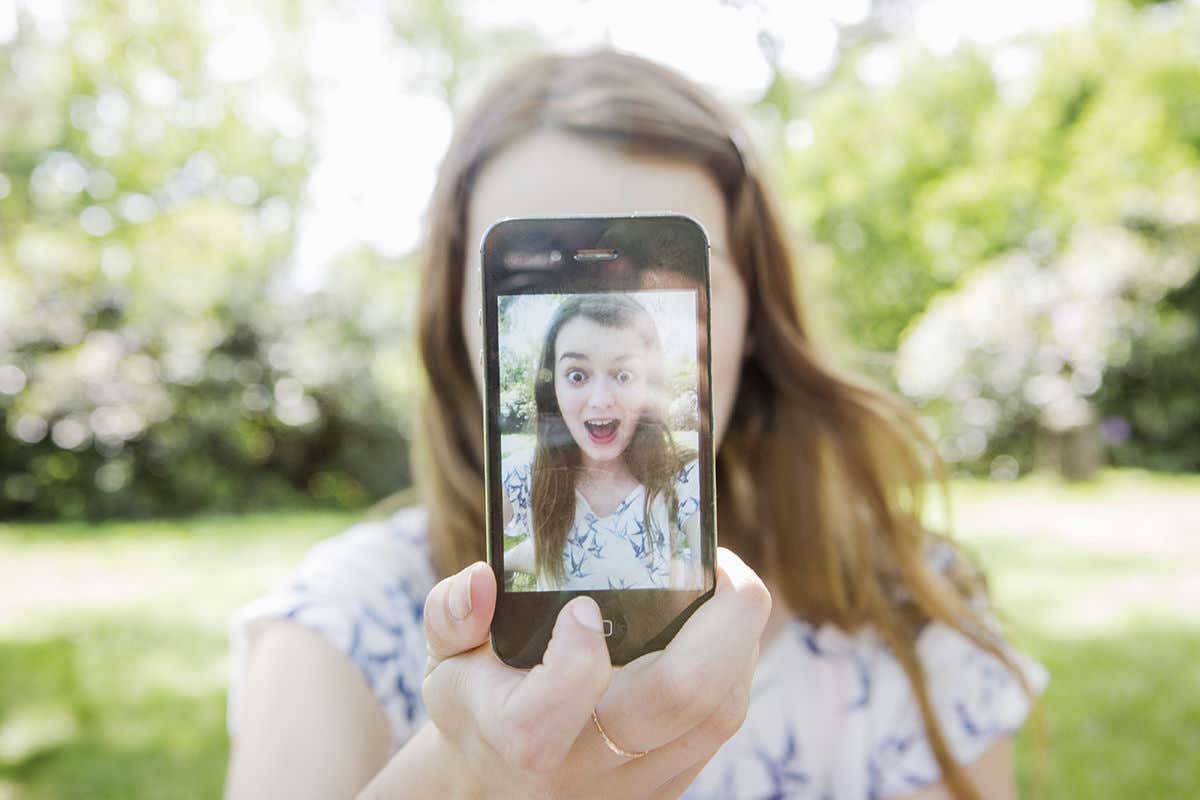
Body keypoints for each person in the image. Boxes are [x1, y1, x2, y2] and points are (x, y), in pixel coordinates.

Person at [225, 50, 1046, 799]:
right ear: (461, 327)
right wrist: (460, 779)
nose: (607, 364)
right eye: (537, 280)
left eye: (659, 280)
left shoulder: (905, 618)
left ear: (754, 317)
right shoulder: (341, 628)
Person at [501, 292, 702, 591]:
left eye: (623, 375)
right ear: (552, 387)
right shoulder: (521, 477)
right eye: (577, 375)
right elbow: (459, 559)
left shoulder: (682, 475)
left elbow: (714, 578)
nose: (600, 400)